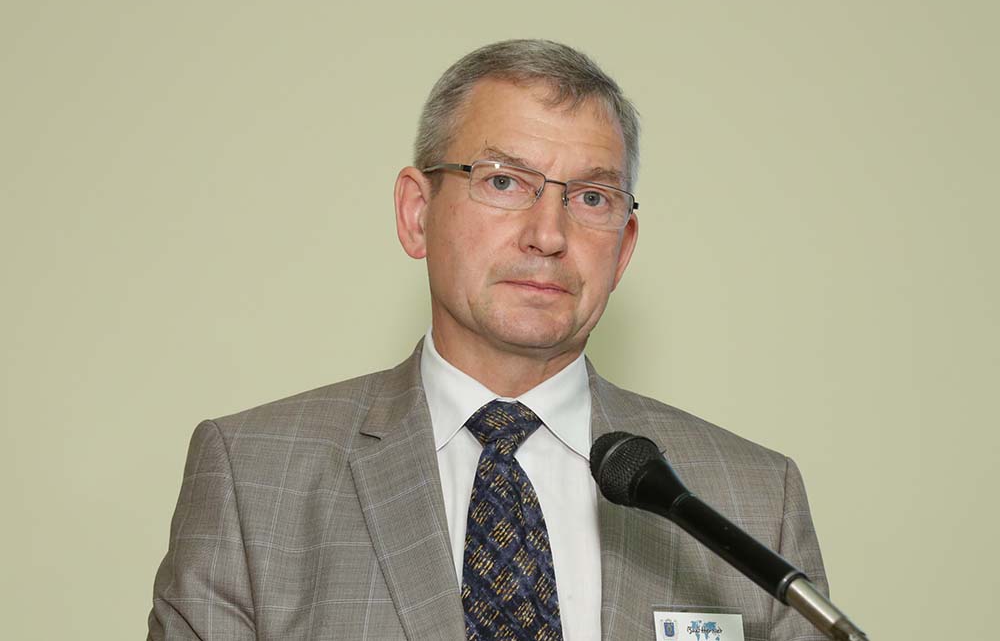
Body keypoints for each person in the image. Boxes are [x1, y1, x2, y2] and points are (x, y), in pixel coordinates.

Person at [148, 39, 828, 641]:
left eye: (592, 198)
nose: (548, 234)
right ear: (417, 214)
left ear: (623, 249)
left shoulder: (752, 499)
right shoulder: (254, 478)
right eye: (504, 182)